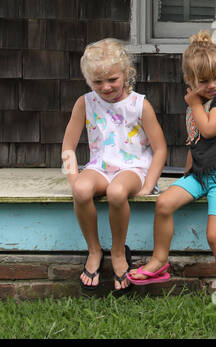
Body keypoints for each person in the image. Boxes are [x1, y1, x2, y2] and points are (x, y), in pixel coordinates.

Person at [129, 30, 216, 303]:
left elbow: (208, 130)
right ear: (189, 81)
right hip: (200, 175)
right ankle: (159, 260)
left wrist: (194, 102)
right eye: (203, 81)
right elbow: (194, 143)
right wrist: (186, 176)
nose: (212, 85)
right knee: (164, 203)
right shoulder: (194, 107)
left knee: (214, 234)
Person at [63, 38, 167, 295]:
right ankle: (95, 250)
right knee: (82, 191)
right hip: (100, 166)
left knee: (117, 193)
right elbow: (68, 147)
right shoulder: (85, 103)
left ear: (125, 73)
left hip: (133, 169)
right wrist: (74, 179)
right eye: (98, 82)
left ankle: (119, 252)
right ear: (89, 81)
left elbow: (160, 148)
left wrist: (150, 185)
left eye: (112, 79)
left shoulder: (139, 104)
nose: (106, 87)